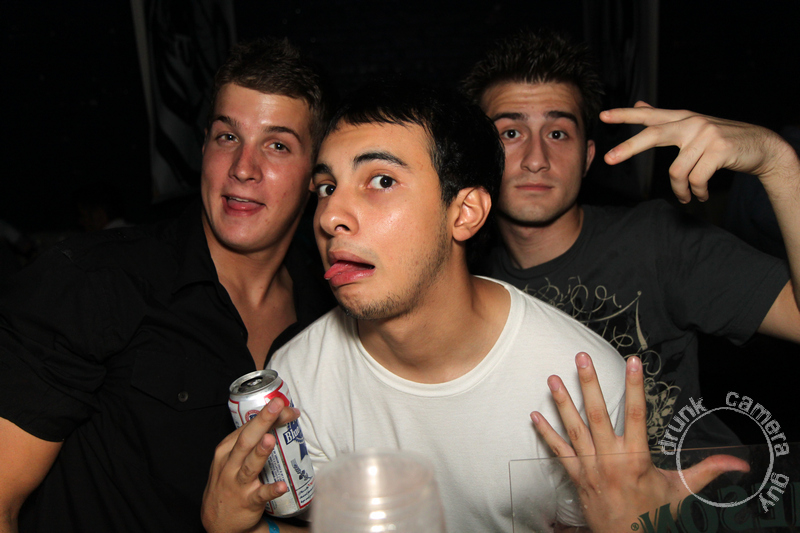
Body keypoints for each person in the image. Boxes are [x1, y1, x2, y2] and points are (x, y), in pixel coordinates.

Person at [201, 84, 628, 533]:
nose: (329, 217)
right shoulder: (298, 379)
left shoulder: (582, 385)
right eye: (327, 187)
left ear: (464, 213)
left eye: (382, 181)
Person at [0, 38, 335, 533]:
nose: (243, 168)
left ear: (315, 176)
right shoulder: (94, 281)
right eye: (227, 137)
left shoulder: (331, 319)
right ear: (203, 148)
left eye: (277, 145)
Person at [461, 30, 800, 450]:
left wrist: (777, 163)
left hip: (704, 490)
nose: (536, 160)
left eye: (558, 133)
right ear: (479, 156)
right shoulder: (464, 286)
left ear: (587, 158)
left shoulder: (656, 240)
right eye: (510, 133)